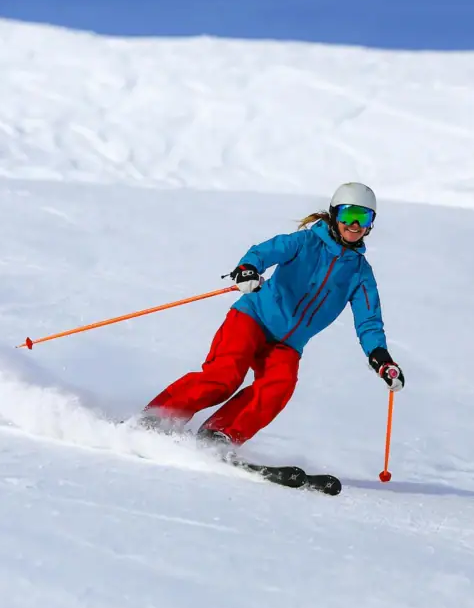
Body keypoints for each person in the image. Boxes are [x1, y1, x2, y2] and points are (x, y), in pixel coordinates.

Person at [142, 182, 405, 448]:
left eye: (364, 217)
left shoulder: (360, 274)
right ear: (335, 214)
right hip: (253, 318)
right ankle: (160, 417)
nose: (355, 225)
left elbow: (368, 321)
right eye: (349, 215)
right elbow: (264, 252)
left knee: (279, 386)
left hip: (287, 344)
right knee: (224, 377)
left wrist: (381, 358)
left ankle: (219, 435)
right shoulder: (305, 242)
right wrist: (248, 268)